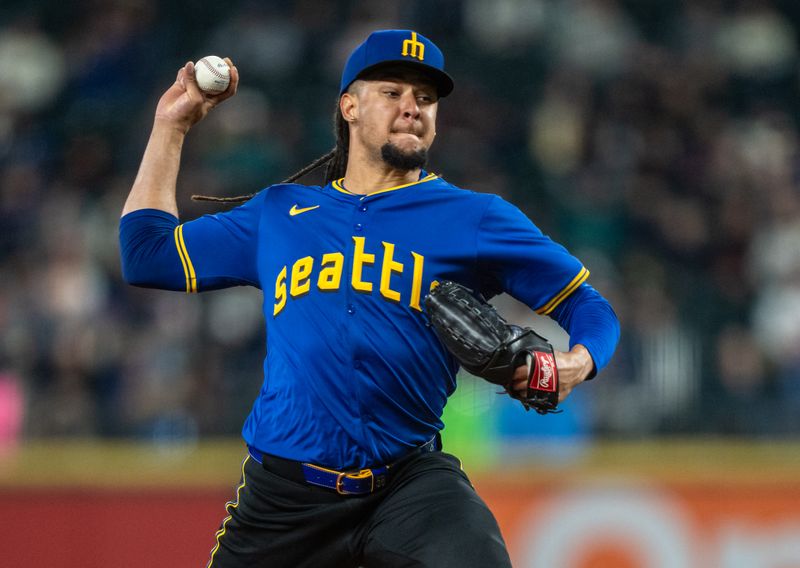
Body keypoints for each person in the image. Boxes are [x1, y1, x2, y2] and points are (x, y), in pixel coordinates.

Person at [119, 29, 620, 568]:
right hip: (284, 500)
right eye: (392, 92)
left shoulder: (474, 217)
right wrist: (170, 127)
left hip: (409, 486)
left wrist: (577, 362)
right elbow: (146, 256)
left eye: (425, 99)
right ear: (349, 106)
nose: (412, 108)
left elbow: (590, 307)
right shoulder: (279, 213)